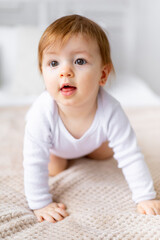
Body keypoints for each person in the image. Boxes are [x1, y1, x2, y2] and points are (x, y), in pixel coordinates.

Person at [23, 14, 160, 224]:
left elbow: (130, 155)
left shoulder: (111, 109)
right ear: (42, 72)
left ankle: (89, 149)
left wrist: (145, 197)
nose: (65, 71)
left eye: (79, 61)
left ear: (102, 74)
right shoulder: (41, 113)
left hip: (94, 142)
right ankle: (65, 157)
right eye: (53, 63)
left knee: (106, 153)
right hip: (56, 147)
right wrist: (40, 203)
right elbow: (34, 161)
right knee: (54, 168)